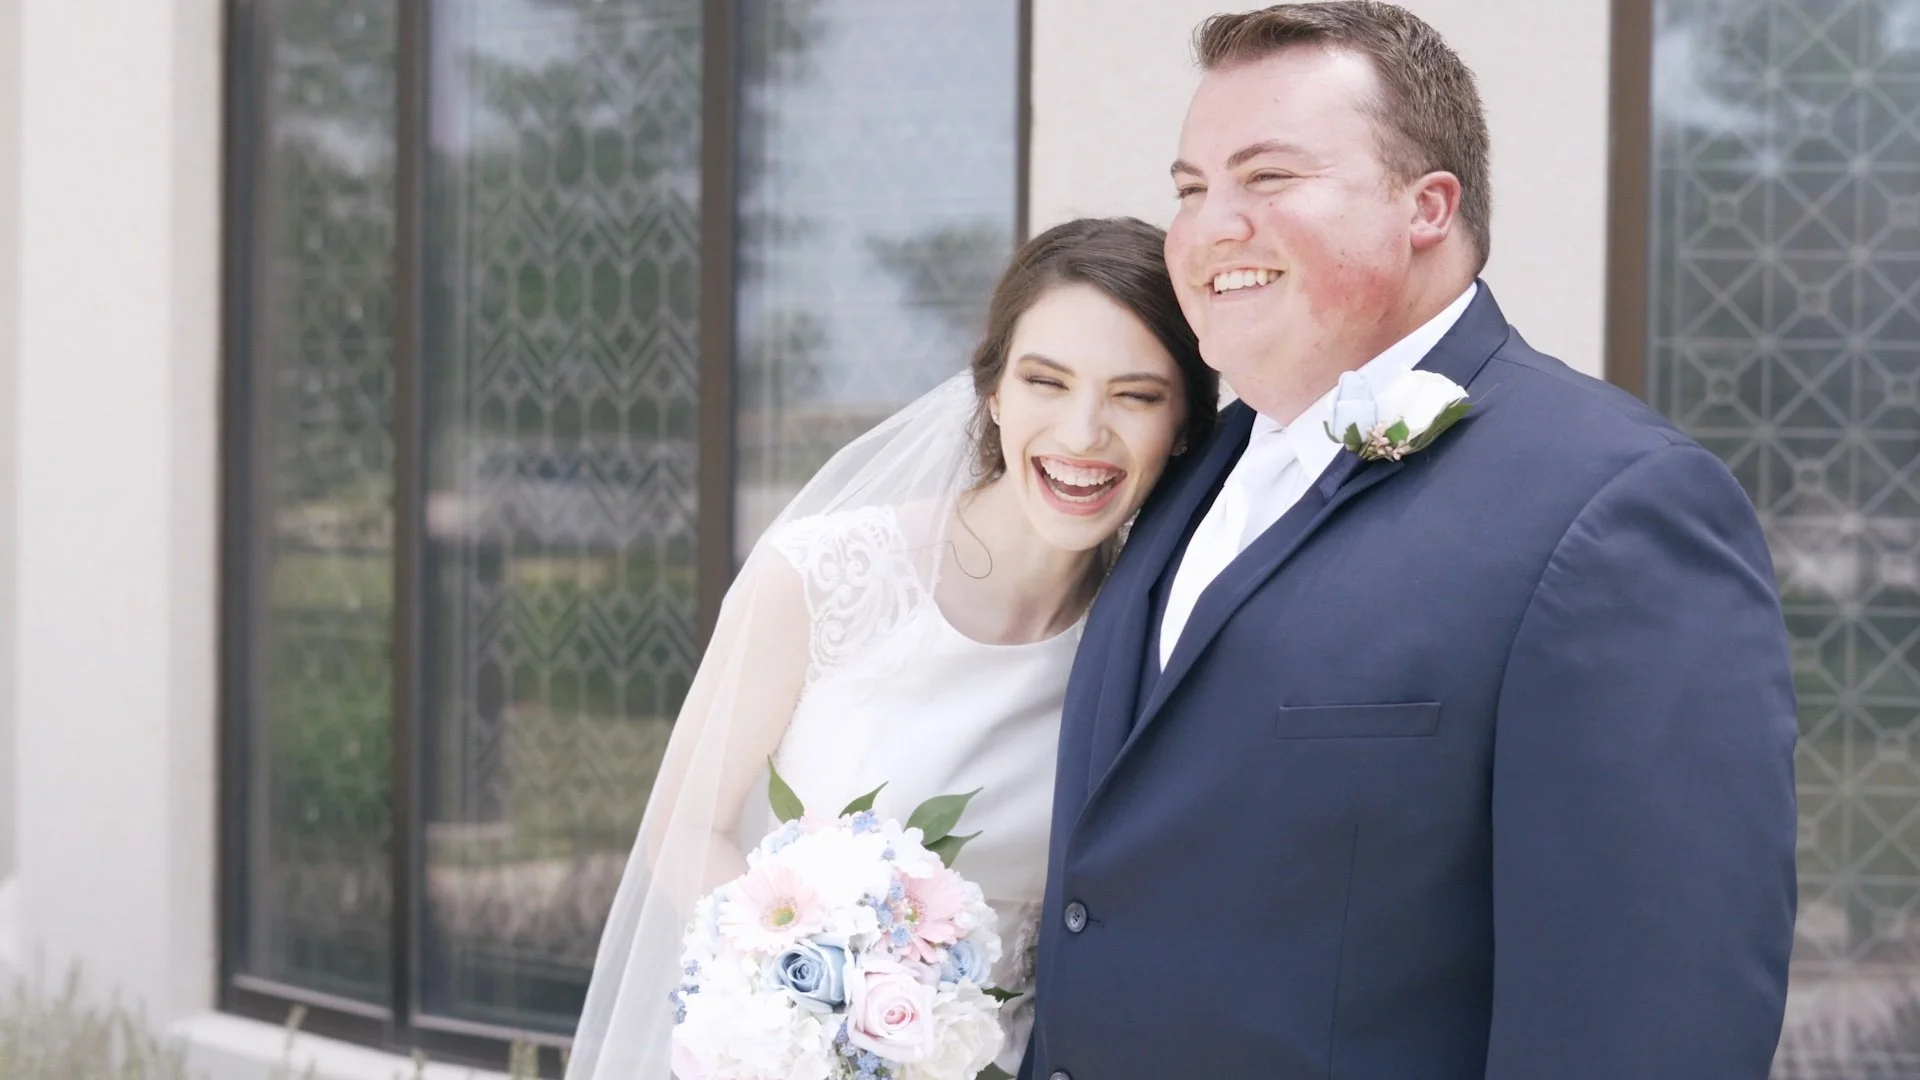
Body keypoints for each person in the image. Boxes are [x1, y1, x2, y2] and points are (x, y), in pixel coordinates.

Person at [1024, 5, 1799, 1079]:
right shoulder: (1181, 468)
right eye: (1191, 189)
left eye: (1268, 178)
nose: (1208, 228)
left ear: (1427, 206)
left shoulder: (1615, 508)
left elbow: (1648, 1020)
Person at [564, 216, 1219, 1079]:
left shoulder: (1155, 637)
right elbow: (686, 826)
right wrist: (814, 1003)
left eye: (1135, 395)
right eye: (1045, 382)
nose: (1083, 433)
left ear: (1180, 426)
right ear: (992, 391)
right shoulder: (823, 577)